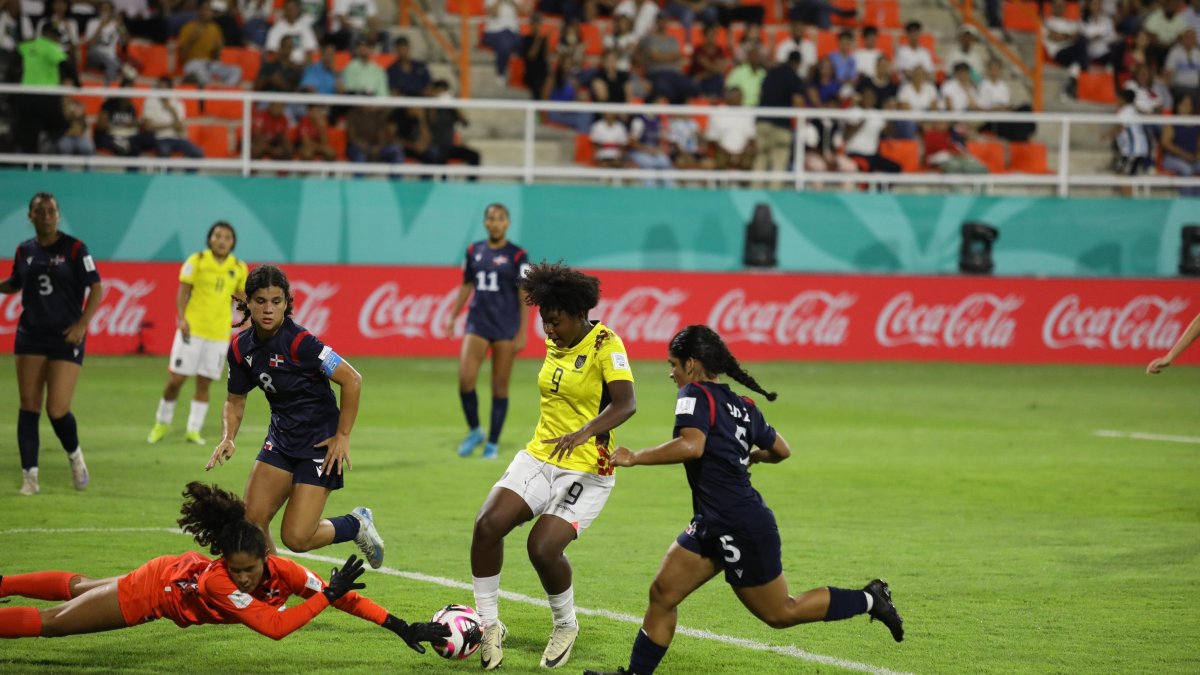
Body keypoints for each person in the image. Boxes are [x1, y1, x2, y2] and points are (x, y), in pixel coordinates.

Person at [583, 325, 903, 675]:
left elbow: (693, 445)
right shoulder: (743, 405)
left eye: (673, 364)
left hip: (739, 524)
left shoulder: (693, 393)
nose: (670, 372)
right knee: (662, 594)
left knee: (781, 612)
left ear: (691, 364)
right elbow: (781, 449)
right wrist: (756, 456)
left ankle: (871, 598)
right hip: (711, 523)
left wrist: (635, 456)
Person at [0, 481, 450, 651]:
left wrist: (400, 625)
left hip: (171, 572)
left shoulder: (284, 573)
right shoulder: (220, 582)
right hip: (153, 593)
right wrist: (325, 598)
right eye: (235, 569)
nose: (242, 577)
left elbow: (342, 597)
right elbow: (275, 627)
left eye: (248, 571)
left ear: (265, 560)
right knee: (54, 624)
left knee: (80, 589)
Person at [470, 262, 637, 671]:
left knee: (542, 547)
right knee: (487, 524)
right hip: (540, 454)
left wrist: (585, 432)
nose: (548, 329)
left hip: (587, 467)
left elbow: (626, 403)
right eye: (544, 320)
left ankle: (566, 624)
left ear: (580, 314)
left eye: (556, 321)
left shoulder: (605, 344)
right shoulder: (556, 338)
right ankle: (488, 625)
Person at [204, 265, 386, 570]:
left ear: (288, 303)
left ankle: (356, 525)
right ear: (246, 302)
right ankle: (276, 591)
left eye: (276, 301)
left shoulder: (302, 343)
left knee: (297, 538)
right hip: (282, 438)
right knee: (252, 522)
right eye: (260, 301)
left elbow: (352, 379)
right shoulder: (239, 348)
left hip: (319, 443)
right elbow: (235, 400)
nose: (268, 309)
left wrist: (343, 436)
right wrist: (228, 437)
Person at [0, 193, 102, 496]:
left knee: (57, 409)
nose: (46, 216)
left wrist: (82, 325)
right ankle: (29, 477)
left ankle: (75, 457)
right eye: (39, 211)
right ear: (30, 216)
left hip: (65, 337)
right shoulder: (24, 250)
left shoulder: (74, 248)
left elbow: (96, 287)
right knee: (28, 406)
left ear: (57, 215)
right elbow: (16, 283)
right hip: (30, 334)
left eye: (51, 211)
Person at [148, 222, 247, 445]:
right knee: (176, 379)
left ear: (233, 242)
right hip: (192, 330)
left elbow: (241, 298)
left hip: (219, 334)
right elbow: (183, 292)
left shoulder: (239, 267)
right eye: (218, 235)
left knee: (204, 382)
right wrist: (182, 318)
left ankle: (194, 430)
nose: (222, 240)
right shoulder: (198, 261)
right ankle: (161, 422)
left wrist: (246, 321)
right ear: (210, 238)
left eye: (227, 237)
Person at [443, 204, 530, 460]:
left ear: (507, 223)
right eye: (490, 218)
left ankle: (492, 443)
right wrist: (452, 317)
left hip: (505, 327)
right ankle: (475, 431)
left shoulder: (519, 255)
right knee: (465, 380)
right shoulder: (474, 251)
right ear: (485, 222)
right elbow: (466, 285)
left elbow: (524, 294)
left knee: (499, 387)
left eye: (500, 219)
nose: (494, 223)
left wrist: (522, 332)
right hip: (477, 324)